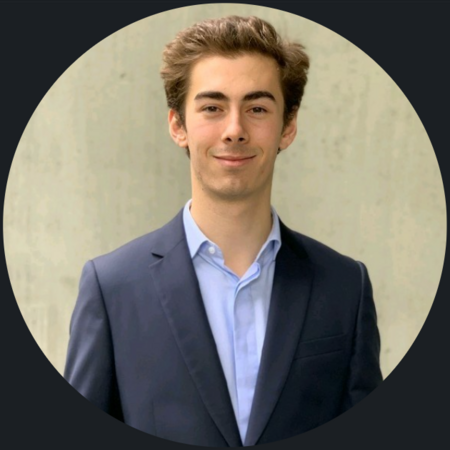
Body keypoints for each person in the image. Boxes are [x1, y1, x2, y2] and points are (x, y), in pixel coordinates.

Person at [64, 15, 382, 447]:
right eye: (212, 107)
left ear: (288, 126)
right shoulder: (112, 287)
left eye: (257, 108)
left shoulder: (345, 286)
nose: (235, 130)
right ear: (178, 125)